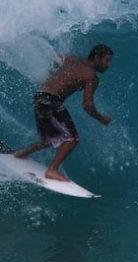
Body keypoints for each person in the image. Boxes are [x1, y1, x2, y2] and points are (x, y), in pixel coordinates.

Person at [13, 44, 114, 181]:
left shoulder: (72, 59)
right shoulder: (92, 77)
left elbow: (58, 57)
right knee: (72, 139)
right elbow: (88, 105)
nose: (109, 65)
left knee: (52, 138)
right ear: (96, 57)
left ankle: (22, 153)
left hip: (40, 96)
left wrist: (50, 73)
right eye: (107, 60)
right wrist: (101, 118)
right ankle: (52, 170)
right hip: (50, 101)